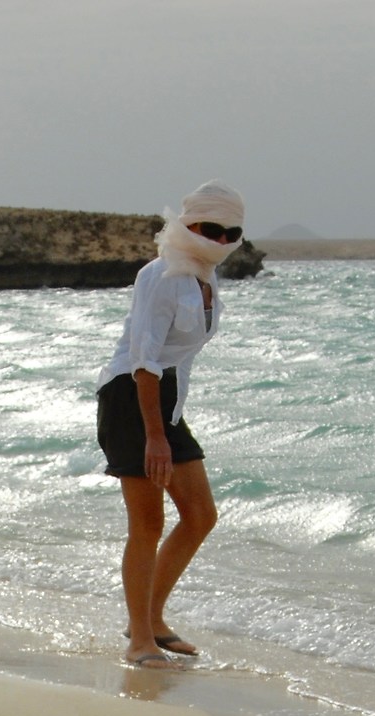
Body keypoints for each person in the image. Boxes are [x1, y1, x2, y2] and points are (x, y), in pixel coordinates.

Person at [96, 182, 244, 667]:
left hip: (167, 402)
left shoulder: (203, 274)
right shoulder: (159, 275)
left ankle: (152, 619)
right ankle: (139, 639)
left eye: (230, 233)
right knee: (148, 521)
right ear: (187, 225)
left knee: (200, 515)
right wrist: (155, 436)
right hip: (133, 397)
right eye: (210, 229)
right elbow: (143, 358)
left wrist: (168, 422)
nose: (219, 240)